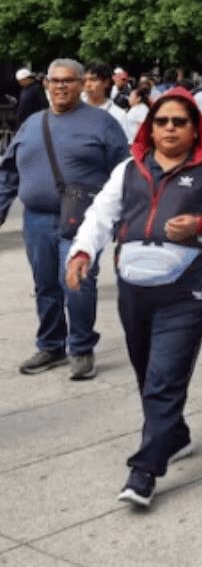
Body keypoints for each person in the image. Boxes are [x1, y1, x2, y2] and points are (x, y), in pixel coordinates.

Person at [64, 88, 202, 508]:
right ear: (150, 126)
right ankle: (175, 435)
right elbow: (100, 215)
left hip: (187, 288)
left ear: (194, 127)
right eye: (161, 121)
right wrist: (81, 252)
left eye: (178, 122)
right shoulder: (129, 168)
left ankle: (144, 470)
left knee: (165, 377)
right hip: (133, 288)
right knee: (148, 373)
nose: (169, 128)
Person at [0, 59, 129, 378]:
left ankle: (81, 348)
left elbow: (124, 173)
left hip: (83, 222)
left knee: (78, 284)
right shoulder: (32, 124)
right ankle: (51, 345)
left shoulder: (103, 123)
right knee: (45, 285)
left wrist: (124, 221)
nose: (60, 86)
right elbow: (9, 171)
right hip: (37, 221)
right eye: (55, 80)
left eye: (68, 80)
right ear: (46, 85)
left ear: (82, 83)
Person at [82, 61, 128, 133]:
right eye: (84, 80)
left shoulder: (118, 115)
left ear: (106, 82)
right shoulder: (73, 110)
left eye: (93, 80)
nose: (87, 84)